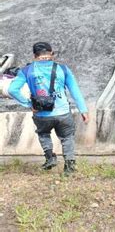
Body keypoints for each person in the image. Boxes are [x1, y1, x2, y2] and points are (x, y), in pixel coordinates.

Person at [8, 42, 89, 175]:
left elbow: (12, 89)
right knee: (67, 137)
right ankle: (69, 166)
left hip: (41, 113)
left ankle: (50, 158)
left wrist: (29, 104)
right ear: (51, 53)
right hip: (62, 112)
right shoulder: (63, 69)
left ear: (34, 55)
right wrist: (83, 110)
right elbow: (75, 90)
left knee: (43, 134)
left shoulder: (27, 70)